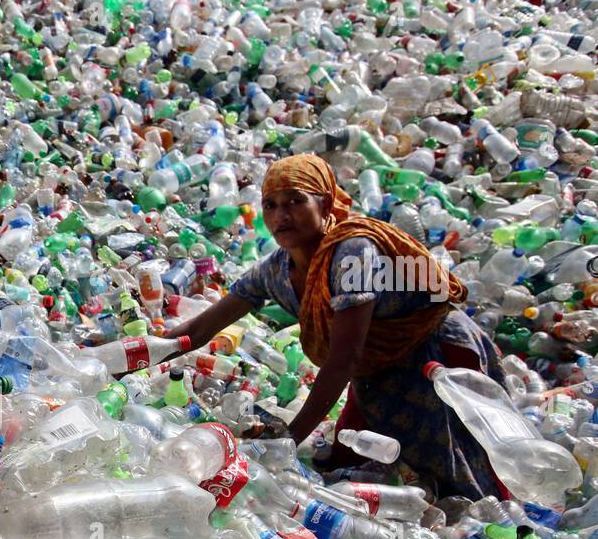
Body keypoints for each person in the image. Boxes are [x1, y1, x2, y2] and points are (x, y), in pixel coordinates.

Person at [167, 153, 506, 501]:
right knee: (357, 461)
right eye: (270, 205)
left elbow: (345, 356)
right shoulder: (276, 270)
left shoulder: (354, 251)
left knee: (461, 470)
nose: (281, 215)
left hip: (435, 355)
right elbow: (203, 328)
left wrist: (291, 437)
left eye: (295, 201)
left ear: (325, 203)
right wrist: (139, 354)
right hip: (378, 369)